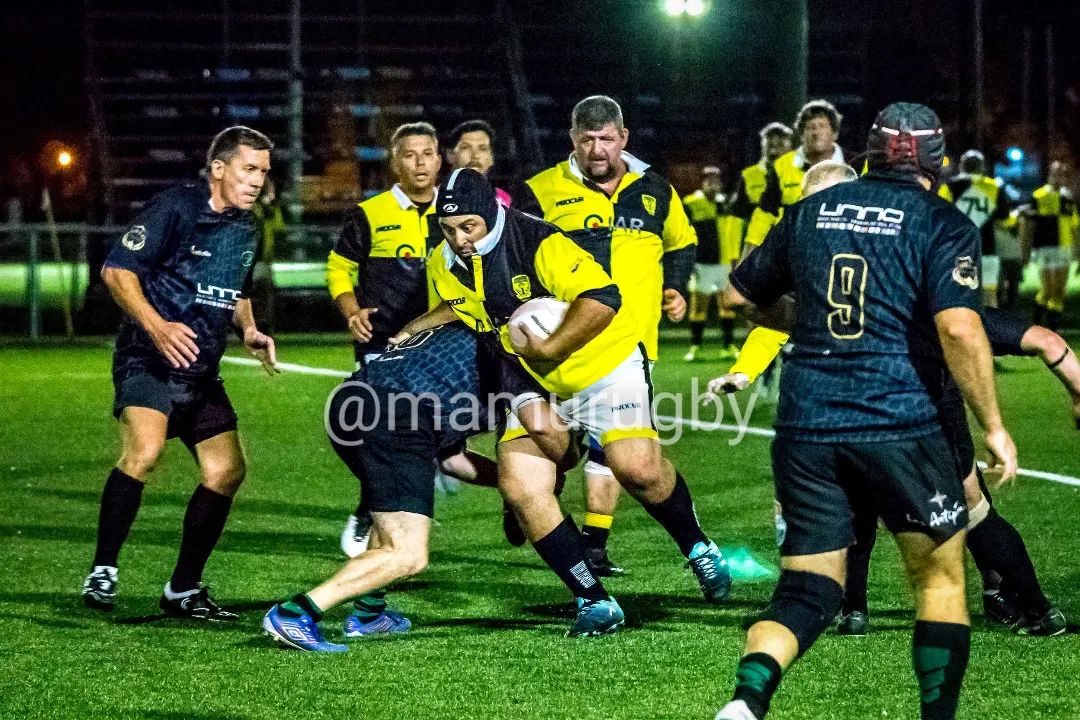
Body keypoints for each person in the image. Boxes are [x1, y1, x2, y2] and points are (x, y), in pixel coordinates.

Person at [711, 103, 1018, 720]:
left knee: (807, 591)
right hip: (899, 421)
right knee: (939, 582)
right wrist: (993, 424)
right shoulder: (942, 220)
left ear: (867, 153)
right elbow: (959, 328)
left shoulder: (806, 212)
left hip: (807, 424)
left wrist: (809, 323)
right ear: (939, 161)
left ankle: (744, 704)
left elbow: (735, 296)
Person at [399, 168, 730, 635]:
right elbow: (460, 304)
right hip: (531, 376)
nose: (458, 239)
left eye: (467, 227)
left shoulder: (539, 241)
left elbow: (602, 298)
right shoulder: (443, 260)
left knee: (636, 469)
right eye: (448, 229)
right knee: (521, 486)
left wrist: (552, 349)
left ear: (492, 214)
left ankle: (697, 547)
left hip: (604, 363)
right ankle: (593, 600)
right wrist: (416, 328)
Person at [263, 322, 562, 650]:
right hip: (396, 414)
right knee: (407, 554)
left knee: (392, 522)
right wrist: (562, 463)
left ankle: (368, 614)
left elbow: (452, 460)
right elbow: (544, 429)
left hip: (352, 402)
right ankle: (295, 613)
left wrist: (508, 482)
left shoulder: (471, 337)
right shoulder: (511, 355)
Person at [81, 126, 278, 619]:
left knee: (226, 471)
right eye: (248, 169)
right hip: (149, 356)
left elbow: (236, 290)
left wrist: (249, 330)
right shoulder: (176, 208)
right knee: (144, 452)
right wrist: (158, 326)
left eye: (264, 173)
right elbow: (116, 270)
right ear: (218, 169)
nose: (257, 181)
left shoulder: (247, 228)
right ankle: (103, 569)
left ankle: (182, 589)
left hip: (200, 369)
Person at [517, 95, 697, 576]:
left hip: (633, 348)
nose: (597, 150)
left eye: (606, 139)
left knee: (613, 451)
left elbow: (682, 242)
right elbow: (518, 260)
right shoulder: (540, 192)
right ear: (572, 139)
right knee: (556, 444)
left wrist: (676, 287)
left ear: (624, 138)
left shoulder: (656, 189)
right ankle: (532, 494)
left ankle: (594, 544)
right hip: (563, 350)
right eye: (586, 140)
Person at [326, 122, 488, 555]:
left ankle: (514, 489)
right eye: (410, 155)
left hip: (439, 346)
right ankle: (373, 510)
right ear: (395, 163)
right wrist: (351, 311)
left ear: (440, 159)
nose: (420, 163)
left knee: (444, 445)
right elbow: (339, 268)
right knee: (376, 433)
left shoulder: (454, 213)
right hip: (382, 345)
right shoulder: (370, 213)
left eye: (428, 153)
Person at [938, 150, 1013, 307]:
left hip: (960, 252)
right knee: (989, 298)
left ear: (961, 166)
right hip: (988, 251)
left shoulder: (948, 187)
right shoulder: (994, 188)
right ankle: (991, 331)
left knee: (962, 299)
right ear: (982, 167)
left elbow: (940, 220)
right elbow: (1005, 222)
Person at [682, 166, 740, 361]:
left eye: (716, 180)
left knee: (727, 305)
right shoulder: (691, 203)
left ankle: (728, 346)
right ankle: (695, 347)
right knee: (699, 307)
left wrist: (734, 258)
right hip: (701, 264)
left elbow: (732, 231)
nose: (712, 183)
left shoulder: (726, 204)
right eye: (708, 180)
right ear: (702, 182)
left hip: (724, 263)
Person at [1020, 159, 1078, 331]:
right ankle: (1036, 324)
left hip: (1064, 247)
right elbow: (1028, 226)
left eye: (1062, 175)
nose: (1058, 177)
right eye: (1055, 174)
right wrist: (1025, 250)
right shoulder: (1038, 196)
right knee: (1048, 290)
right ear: (1049, 175)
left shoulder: (1067, 197)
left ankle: (1054, 328)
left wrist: (1077, 249)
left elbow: (1074, 225)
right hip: (1045, 247)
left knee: (1060, 291)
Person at [446, 119, 512, 206]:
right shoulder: (435, 198)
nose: (475, 156)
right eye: (465, 147)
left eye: (483, 148)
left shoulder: (504, 201)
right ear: (450, 155)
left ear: (492, 158)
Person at [250, 176, 285, 333]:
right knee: (254, 295)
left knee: (263, 294)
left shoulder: (269, 208)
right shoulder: (250, 208)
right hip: (250, 260)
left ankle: (263, 326)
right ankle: (253, 326)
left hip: (263, 259)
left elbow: (279, 229)